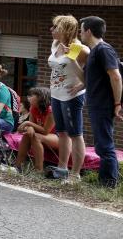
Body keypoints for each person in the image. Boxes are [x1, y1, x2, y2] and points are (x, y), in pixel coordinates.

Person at [79, 16, 122, 188]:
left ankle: (109, 183)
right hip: (97, 103)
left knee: (105, 145)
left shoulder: (104, 49)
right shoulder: (94, 51)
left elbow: (116, 76)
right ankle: (106, 180)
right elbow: (93, 78)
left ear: (88, 31)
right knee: (101, 144)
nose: (80, 33)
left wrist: (117, 104)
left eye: (81, 30)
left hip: (104, 104)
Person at [47, 15, 89, 183]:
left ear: (65, 29)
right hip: (56, 95)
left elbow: (88, 76)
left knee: (75, 134)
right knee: (62, 133)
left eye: (55, 27)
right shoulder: (55, 43)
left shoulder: (78, 48)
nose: (51, 29)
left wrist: (81, 85)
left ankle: (75, 174)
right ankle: (62, 168)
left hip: (71, 97)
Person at [12, 87, 57, 172]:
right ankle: (18, 166)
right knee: (26, 136)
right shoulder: (33, 108)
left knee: (36, 137)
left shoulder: (51, 110)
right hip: (44, 135)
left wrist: (28, 124)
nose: (29, 97)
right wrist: (29, 128)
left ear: (41, 97)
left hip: (57, 137)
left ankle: (38, 170)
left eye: (32, 95)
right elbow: (32, 125)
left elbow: (45, 131)